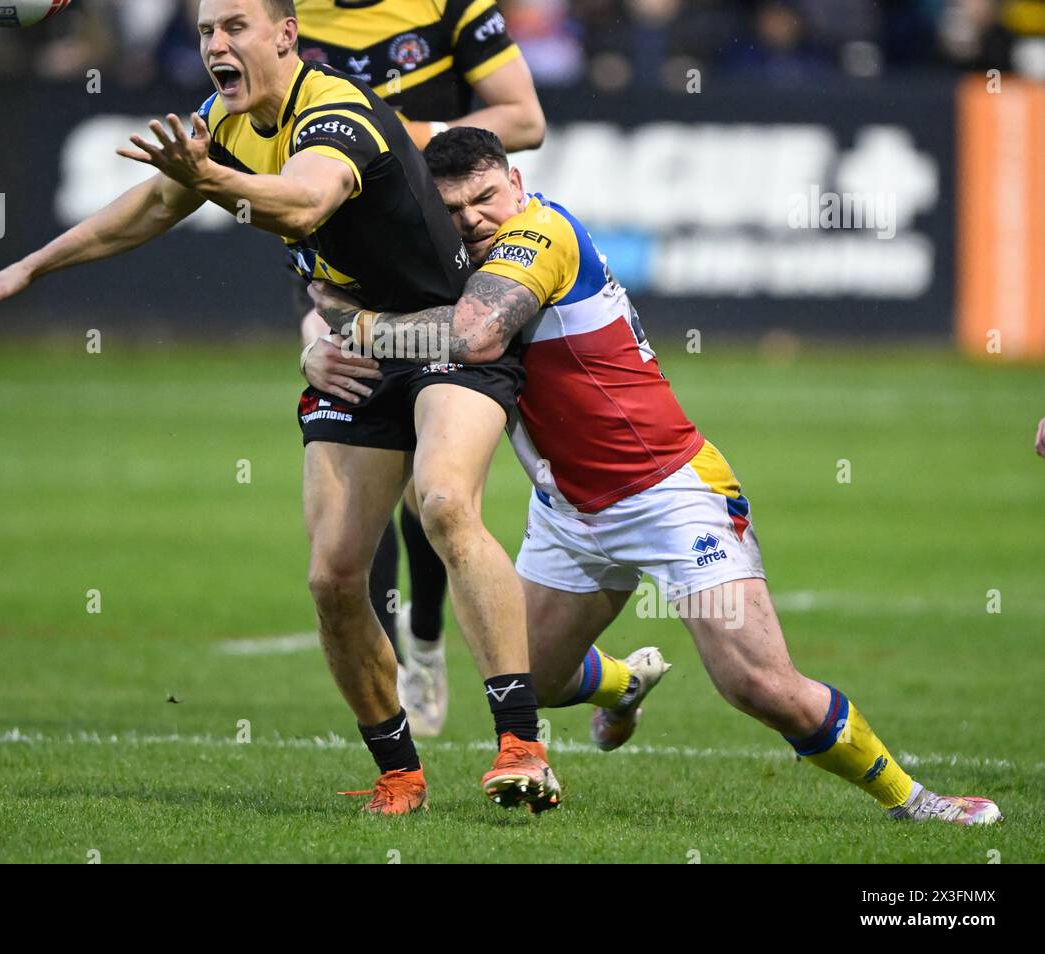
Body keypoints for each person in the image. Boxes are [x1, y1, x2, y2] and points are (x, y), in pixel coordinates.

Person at [0, 0, 560, 816]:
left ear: (286, 37)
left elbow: (304, 204)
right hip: (357, 348)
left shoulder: (334, 111)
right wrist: (29, 267)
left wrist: (213, 179)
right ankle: (399, 774)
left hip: (444, 333)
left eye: (234, 27)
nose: (217, 45)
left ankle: (520, 745)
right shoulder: (226, 122)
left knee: (445, 502)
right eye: (204, 32)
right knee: (334, 578)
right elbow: (153, 206)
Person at [307, 127, 1004, 826]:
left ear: (514, 185)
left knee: (759, 685)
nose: (473, 219)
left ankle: (914, 801)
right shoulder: (453, 261)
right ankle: (622, 685)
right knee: (535, 676)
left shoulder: (541, 233)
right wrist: (318, 343)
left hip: (669, 493)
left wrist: (355, 329)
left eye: (485, 198)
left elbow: (473, 335)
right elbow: (346, 296)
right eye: (453, 210)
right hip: (567, 511)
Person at [290, 0, 546, 738]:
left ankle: (429, 647)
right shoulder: (294, 20)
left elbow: (525, 117)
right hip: (344, 264)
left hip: (446, 268)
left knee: (430, 494)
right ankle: (413, 658)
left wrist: (401, 139)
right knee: (372, 476)